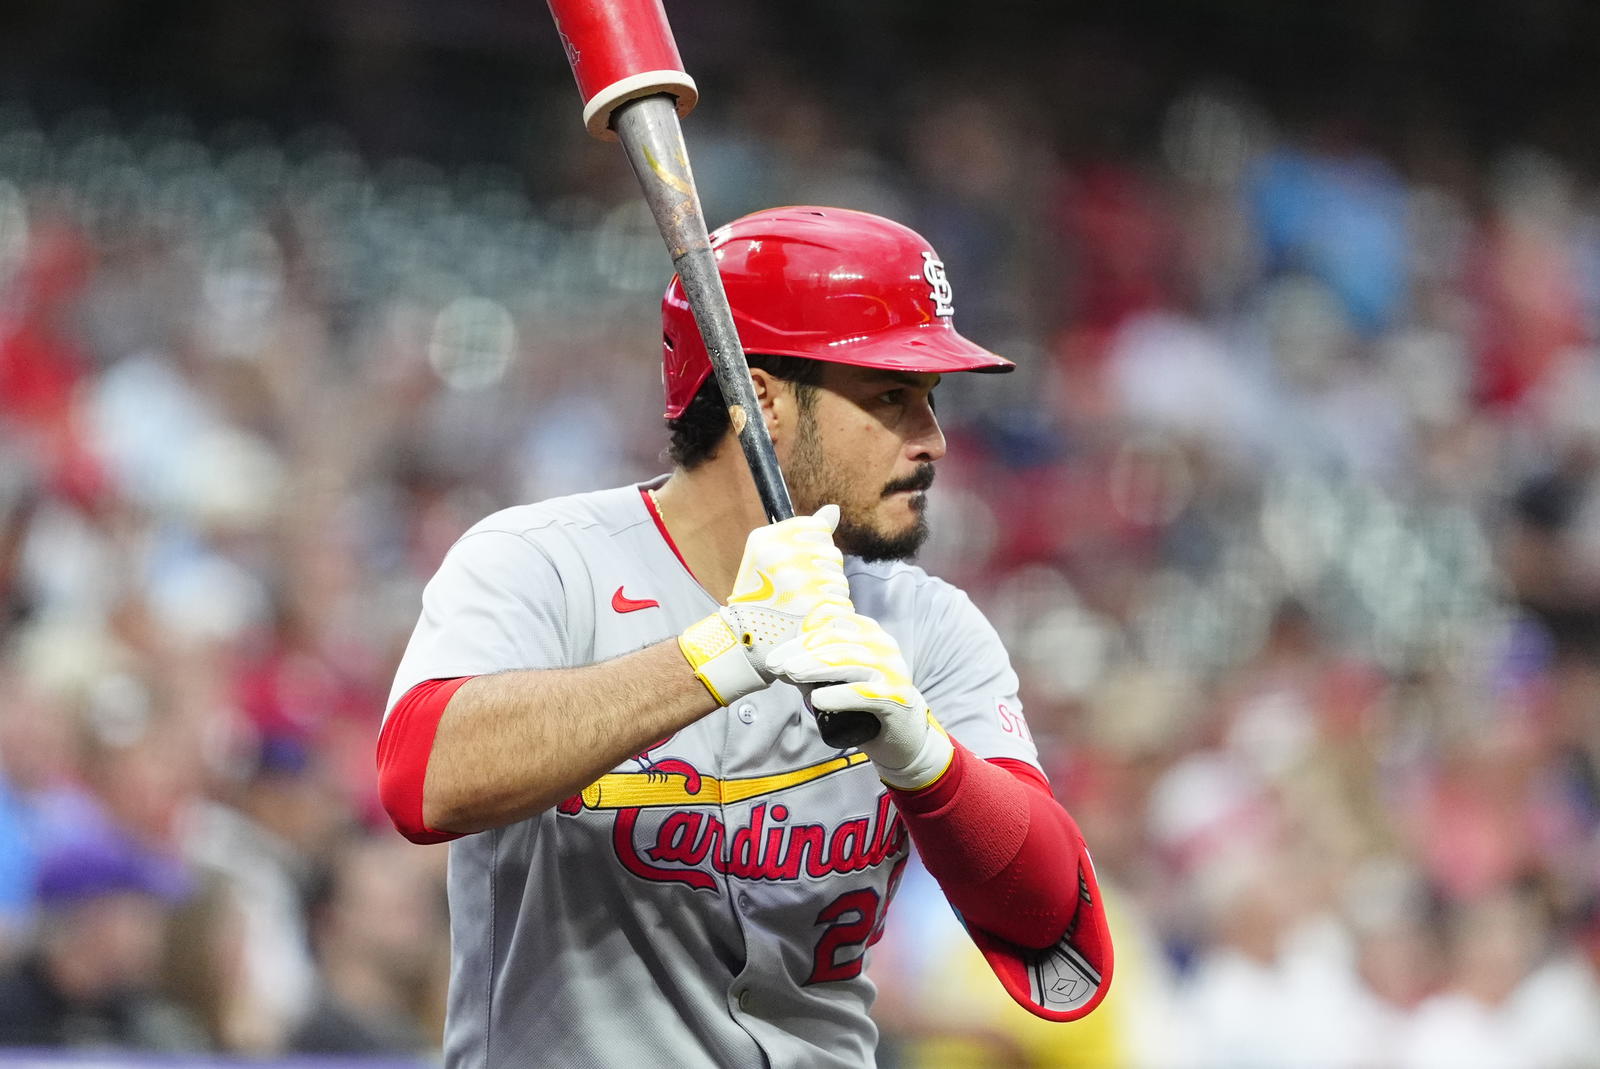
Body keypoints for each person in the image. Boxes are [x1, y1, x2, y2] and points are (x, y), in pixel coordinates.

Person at [378, 206, 1113, 1067]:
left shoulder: (928, 626)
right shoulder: (542, 562)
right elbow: (420, 778)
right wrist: (723, 650)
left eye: (931, 400)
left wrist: (928, 763)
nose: (934, 440)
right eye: (890, 397)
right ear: (757, 400)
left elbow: (1054, 927)